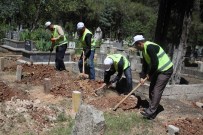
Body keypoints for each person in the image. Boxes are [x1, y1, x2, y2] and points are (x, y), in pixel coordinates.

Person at [132, 35, 173, 119]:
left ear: (139, 43)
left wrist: (149, 75)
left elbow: (155, 63)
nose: (135, 47)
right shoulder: (143, 50)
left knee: (157, 90)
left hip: (166, 70)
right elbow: (145, 65)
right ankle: (152, 109)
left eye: (135, 45)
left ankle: (151, 112)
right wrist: (142, 77)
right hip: (158, 70)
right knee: (151, 89)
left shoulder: (149, 47)